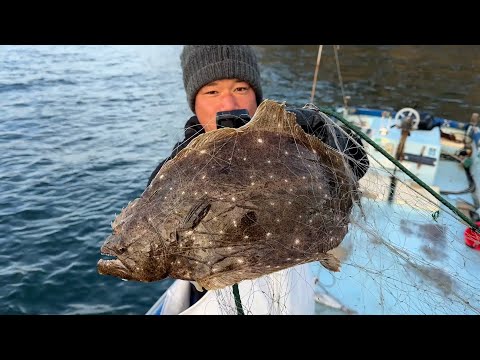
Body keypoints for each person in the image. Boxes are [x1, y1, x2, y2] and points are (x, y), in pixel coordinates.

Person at [146, 45, 369, 314]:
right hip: (217, 296)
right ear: (194, 102)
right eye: (212, 91)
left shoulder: (289, 141)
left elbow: (358, 162)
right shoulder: (178, 164)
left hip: (292, 284)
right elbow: (153, 214)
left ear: (256, 96)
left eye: (241, 89)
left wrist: (317, 127)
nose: (229, 104)